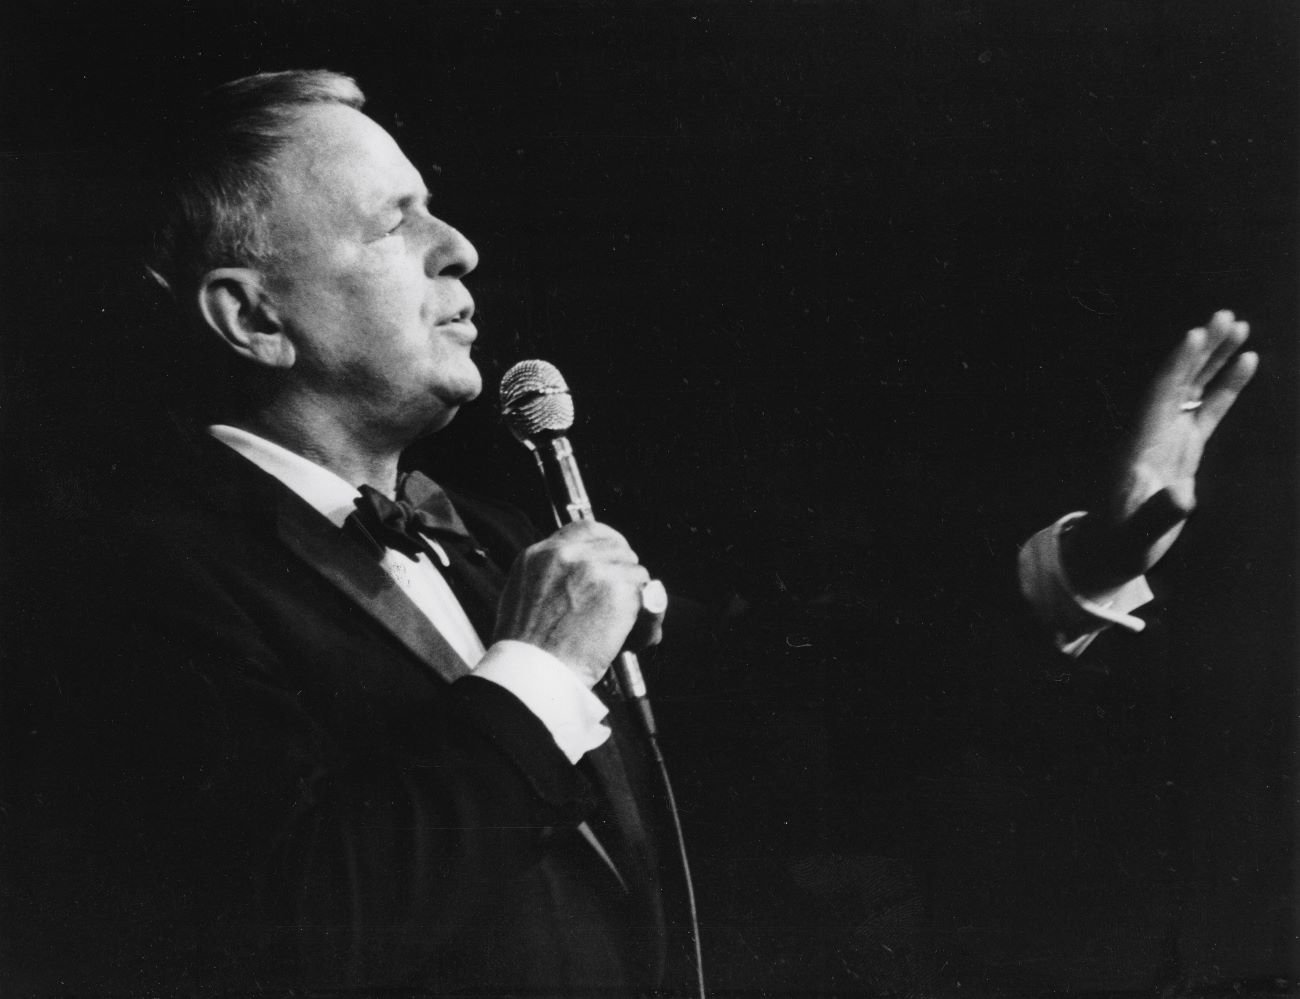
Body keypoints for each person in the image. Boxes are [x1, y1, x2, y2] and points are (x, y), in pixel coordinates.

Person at [1, 68, 1255, 996]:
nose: (461, 247)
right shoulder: (122, 579)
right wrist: (537, 673)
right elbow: (272, 935)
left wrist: (1093, 560)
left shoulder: (493, 541)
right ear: (253, 319)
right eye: (395, 222)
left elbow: (806, 697)